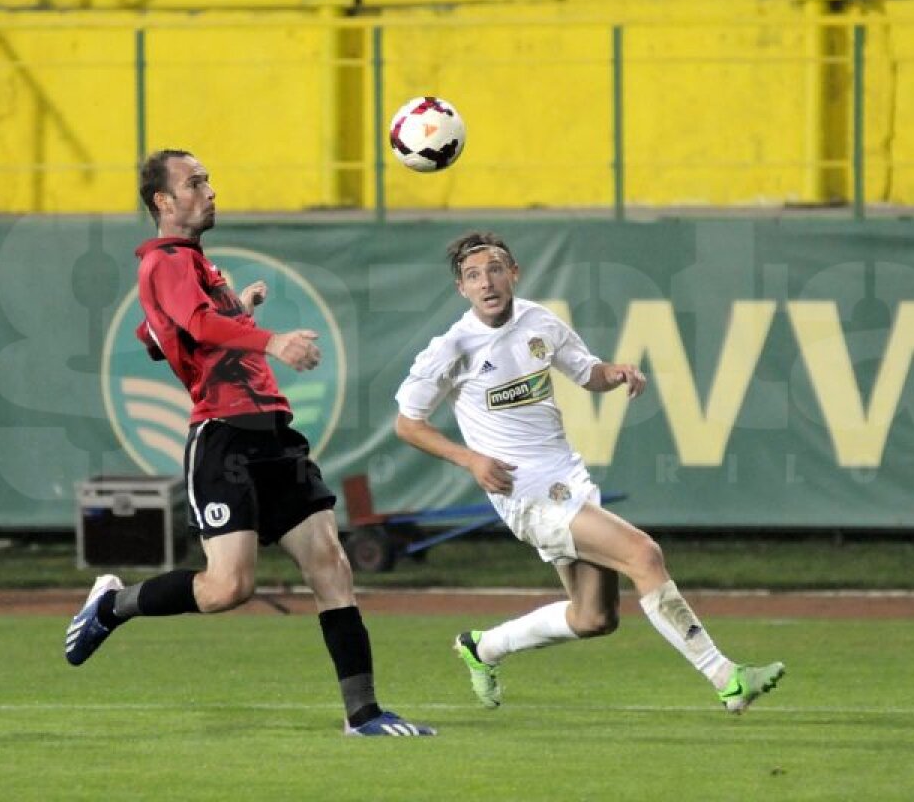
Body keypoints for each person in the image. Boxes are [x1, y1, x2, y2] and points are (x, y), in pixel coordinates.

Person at [64, 149, 434, 737]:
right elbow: (195, 326)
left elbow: (160, 338)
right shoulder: (165, 260)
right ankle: (112, 606)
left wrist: (237, 308)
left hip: (274, 434)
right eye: (194, 183)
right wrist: (270, 339)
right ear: (163, 201)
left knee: (331, 565)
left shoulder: (191, 264)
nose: (209, 190)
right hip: (224, 437)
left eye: (208, 180)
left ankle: (363, 713)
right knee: (228, 587)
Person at [394, 231, 784, 713]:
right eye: (473, 276)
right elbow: (408, 424)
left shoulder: (539, 321)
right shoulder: (452, 347)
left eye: (494, 269)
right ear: (462, 288)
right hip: (524, 491)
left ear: (513, 272)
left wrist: (614, 372)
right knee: (643, 554)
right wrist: (470, 459)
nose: (486, 282)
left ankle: (484, 647)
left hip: (566, 477)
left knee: (594, 617)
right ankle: (728, 679)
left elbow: (586, 373)